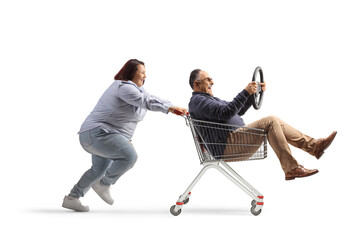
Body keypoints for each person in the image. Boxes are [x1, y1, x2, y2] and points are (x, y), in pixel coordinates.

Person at [62, 59, 188, 212]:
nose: (145, 76)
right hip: (97, 134)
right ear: (131, 72)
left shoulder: (138, 89)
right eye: (142, 72)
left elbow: (151, 98)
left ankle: (72, 198)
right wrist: (170, 108)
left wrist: (172, 106)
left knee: (98, 170)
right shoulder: (124, 87)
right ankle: (104, 184)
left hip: (101, 135)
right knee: (129, 157)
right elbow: (146, 101)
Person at [188, 68, 337, 180]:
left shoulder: (209, 100)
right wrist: (245, 92)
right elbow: (226, 112)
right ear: (197, 83)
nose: (212, 82)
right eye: (208, 79)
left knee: (274, 122)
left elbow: (235, 112)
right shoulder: (198, 101)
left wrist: (251, 96)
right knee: (270, 121)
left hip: (237, 139)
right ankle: (292, 167)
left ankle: (314, 147)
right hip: (228, 145)